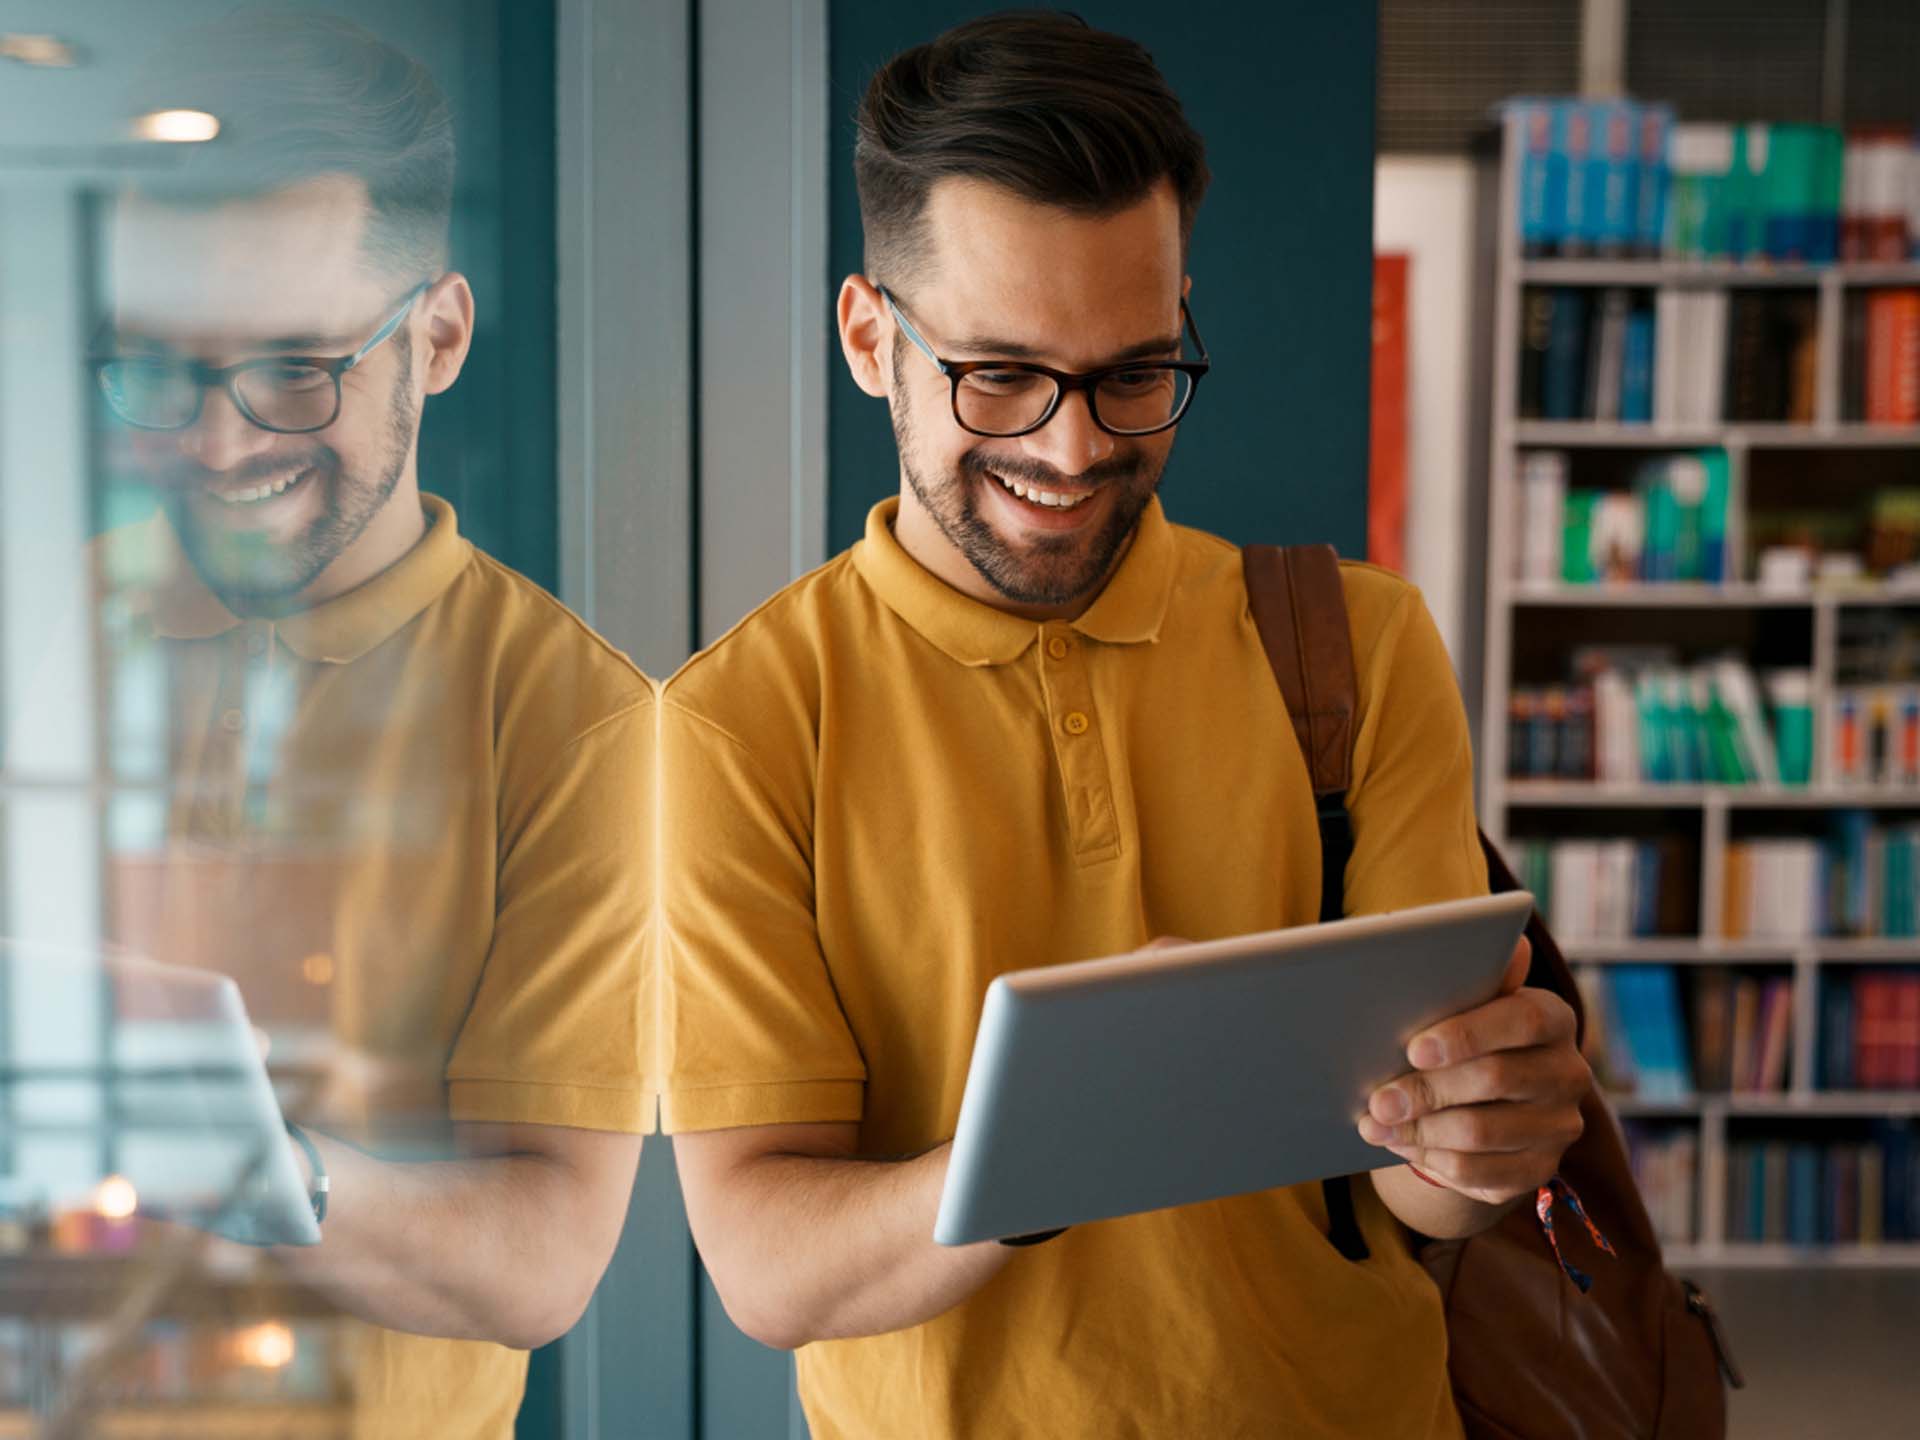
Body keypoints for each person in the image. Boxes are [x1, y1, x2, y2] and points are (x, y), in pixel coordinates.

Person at [659, 12, 1589, 1438]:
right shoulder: (740, 724)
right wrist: (1056, 1138)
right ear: (870, 339)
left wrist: (1475, 1143)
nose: (1074, 446)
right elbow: (769, 1265)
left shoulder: (1357, 644)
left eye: (1134, 373)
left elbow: (1415, 1194)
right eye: (1002, 374)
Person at [84, 12, 652, 1436]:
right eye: (162, 370)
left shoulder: (579, 721)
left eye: (296, 369)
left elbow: (543, 1264)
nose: (218, 445)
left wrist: (245, 1164)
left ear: (440, 336)